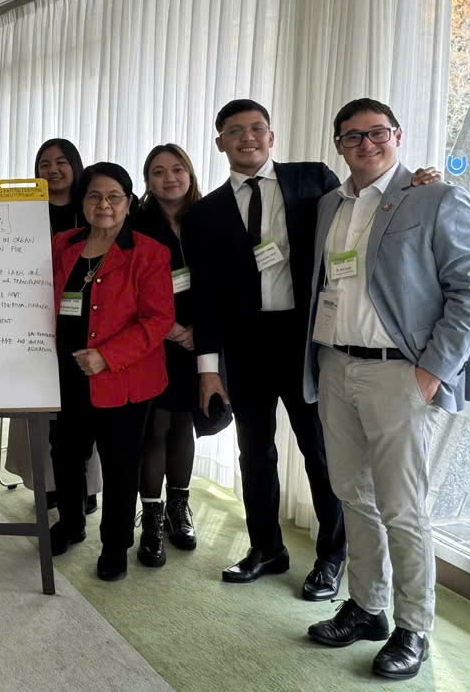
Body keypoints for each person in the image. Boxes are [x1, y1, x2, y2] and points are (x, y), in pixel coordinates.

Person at [304, 99, 470, 680]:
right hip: (336, 365)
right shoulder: (330, 204)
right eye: (352, 136)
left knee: (402, 508)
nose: (366, 144)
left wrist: (432, 370)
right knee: (351, 494)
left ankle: (415, 628)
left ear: (398, 135)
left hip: (399, 374)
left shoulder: (435, 197)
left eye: (377, 133)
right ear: (338, 145)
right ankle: (367, 607)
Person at [181, 98, 349, 599]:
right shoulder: (204, 213)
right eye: (235, 131)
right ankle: (267, 549)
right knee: (254, 453)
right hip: (246, 347)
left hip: (305, 342)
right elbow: (205, 297)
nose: (247, 138)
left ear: (271, 137)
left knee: (320, 451)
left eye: (257, 128)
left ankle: (332, 557)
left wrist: (415, 186)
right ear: (220, 143)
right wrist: (209, 369)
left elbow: (365, 209)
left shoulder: (313, 180)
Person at [48, 161, 174, 582]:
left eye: (113, 196)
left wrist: (106, 355)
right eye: (94, 196)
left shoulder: (149, 252)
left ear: (128, 202)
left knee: (120, 464)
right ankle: (70, 524)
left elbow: (158, 319)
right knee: (66, 454)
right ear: (82, 201)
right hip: (66, 374)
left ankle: (116, 545)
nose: (103, 204)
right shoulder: (62, 244)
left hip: (123, 378)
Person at [5, 138, 102, 513]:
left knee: (86, 409)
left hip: (86, 322)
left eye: (61, 162)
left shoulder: (92, 208)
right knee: (41, 407)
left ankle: (86, 486)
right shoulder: (24, 212)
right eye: (44, 164)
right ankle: (46, 483)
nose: (53, 170)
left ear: (75, 166)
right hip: (34, 320)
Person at [130, 144, 203, 567]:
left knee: (184, 422)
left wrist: (200, 332)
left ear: (189, 173)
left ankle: (179, 507)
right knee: (155, 425)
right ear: (148, 180)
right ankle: (152, 518)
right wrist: (168, 328)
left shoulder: (207, 217)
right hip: (152, 340)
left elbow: (224, 277)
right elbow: (128, 284)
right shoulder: (137, 221)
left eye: (177, 169)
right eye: (158, 172)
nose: (169, 178)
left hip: (198, 340)